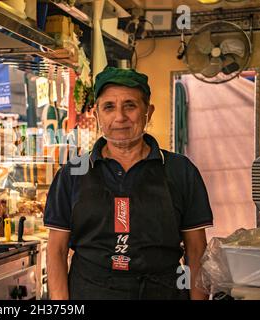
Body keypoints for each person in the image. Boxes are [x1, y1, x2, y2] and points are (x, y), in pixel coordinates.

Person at [44, 67, 213, 300]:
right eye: (109, 107)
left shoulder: (180, 170)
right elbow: (56, 250)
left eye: (130, 105)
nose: (120, 117)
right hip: (91, 292)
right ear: (97, 115)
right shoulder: (71, 173)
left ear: (148, 112)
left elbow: (196, 250)